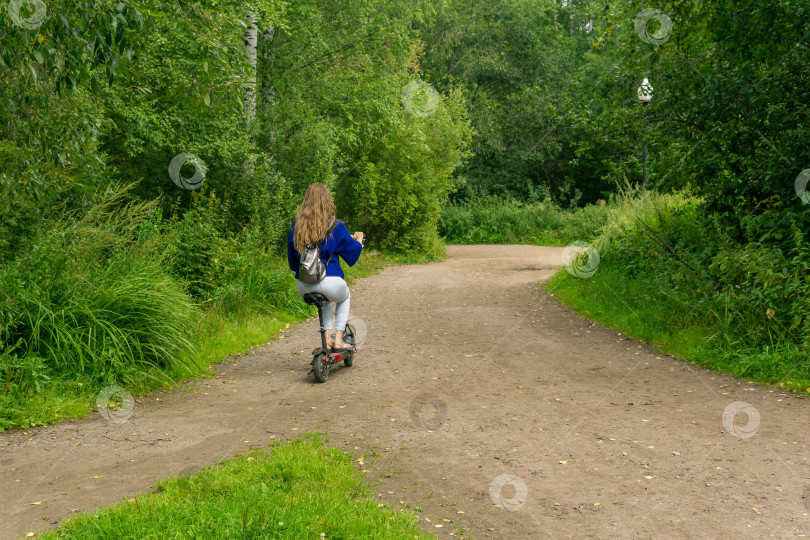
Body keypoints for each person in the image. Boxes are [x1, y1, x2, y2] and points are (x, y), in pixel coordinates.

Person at [287, 183, 364, 350]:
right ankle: (338, 340)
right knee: (344, 296)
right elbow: (351, 254)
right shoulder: (335, 226)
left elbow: (293, 264)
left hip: (304, 286)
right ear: (327, 201)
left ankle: (327, 340)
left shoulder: (296, 226)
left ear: (306, 201)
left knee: (325, 301)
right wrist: (358, 241)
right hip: (330, 283)